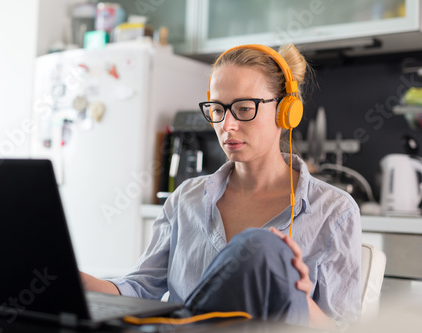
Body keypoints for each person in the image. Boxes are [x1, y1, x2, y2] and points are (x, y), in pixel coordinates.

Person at [80, 44, 362, 329]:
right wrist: (79, 282)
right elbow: (140, 289)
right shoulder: (185, 200)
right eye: (217, 109)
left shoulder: (334, 211)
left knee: (263, 247)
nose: (227, 125)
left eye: (243, 109)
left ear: (285, 111)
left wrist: (298, 297)